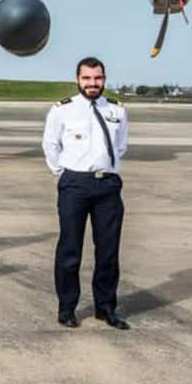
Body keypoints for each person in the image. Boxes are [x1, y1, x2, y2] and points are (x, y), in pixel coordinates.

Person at [42, 56, 129, 330]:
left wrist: (105, 170)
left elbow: (122, 145)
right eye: (87, 78)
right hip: (75, 186)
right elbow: (50, 145)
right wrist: (64, 173)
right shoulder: (61, 110)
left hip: (108, 186)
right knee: (70, 250)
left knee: (108, 252)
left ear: (104, 79)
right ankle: (67, 308)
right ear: (78, 79)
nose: (93, 84)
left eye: (98, 78)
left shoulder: (117, 110)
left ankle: (105, 308)